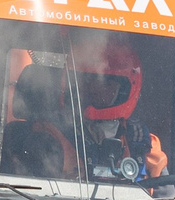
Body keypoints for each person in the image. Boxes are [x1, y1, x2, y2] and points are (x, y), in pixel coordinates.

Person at [71, 32, 167, 180]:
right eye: (90, 80)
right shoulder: (59, 134)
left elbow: (165, 198)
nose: (96, 89)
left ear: (124, 89)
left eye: (107, 82)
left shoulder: (144, 145)